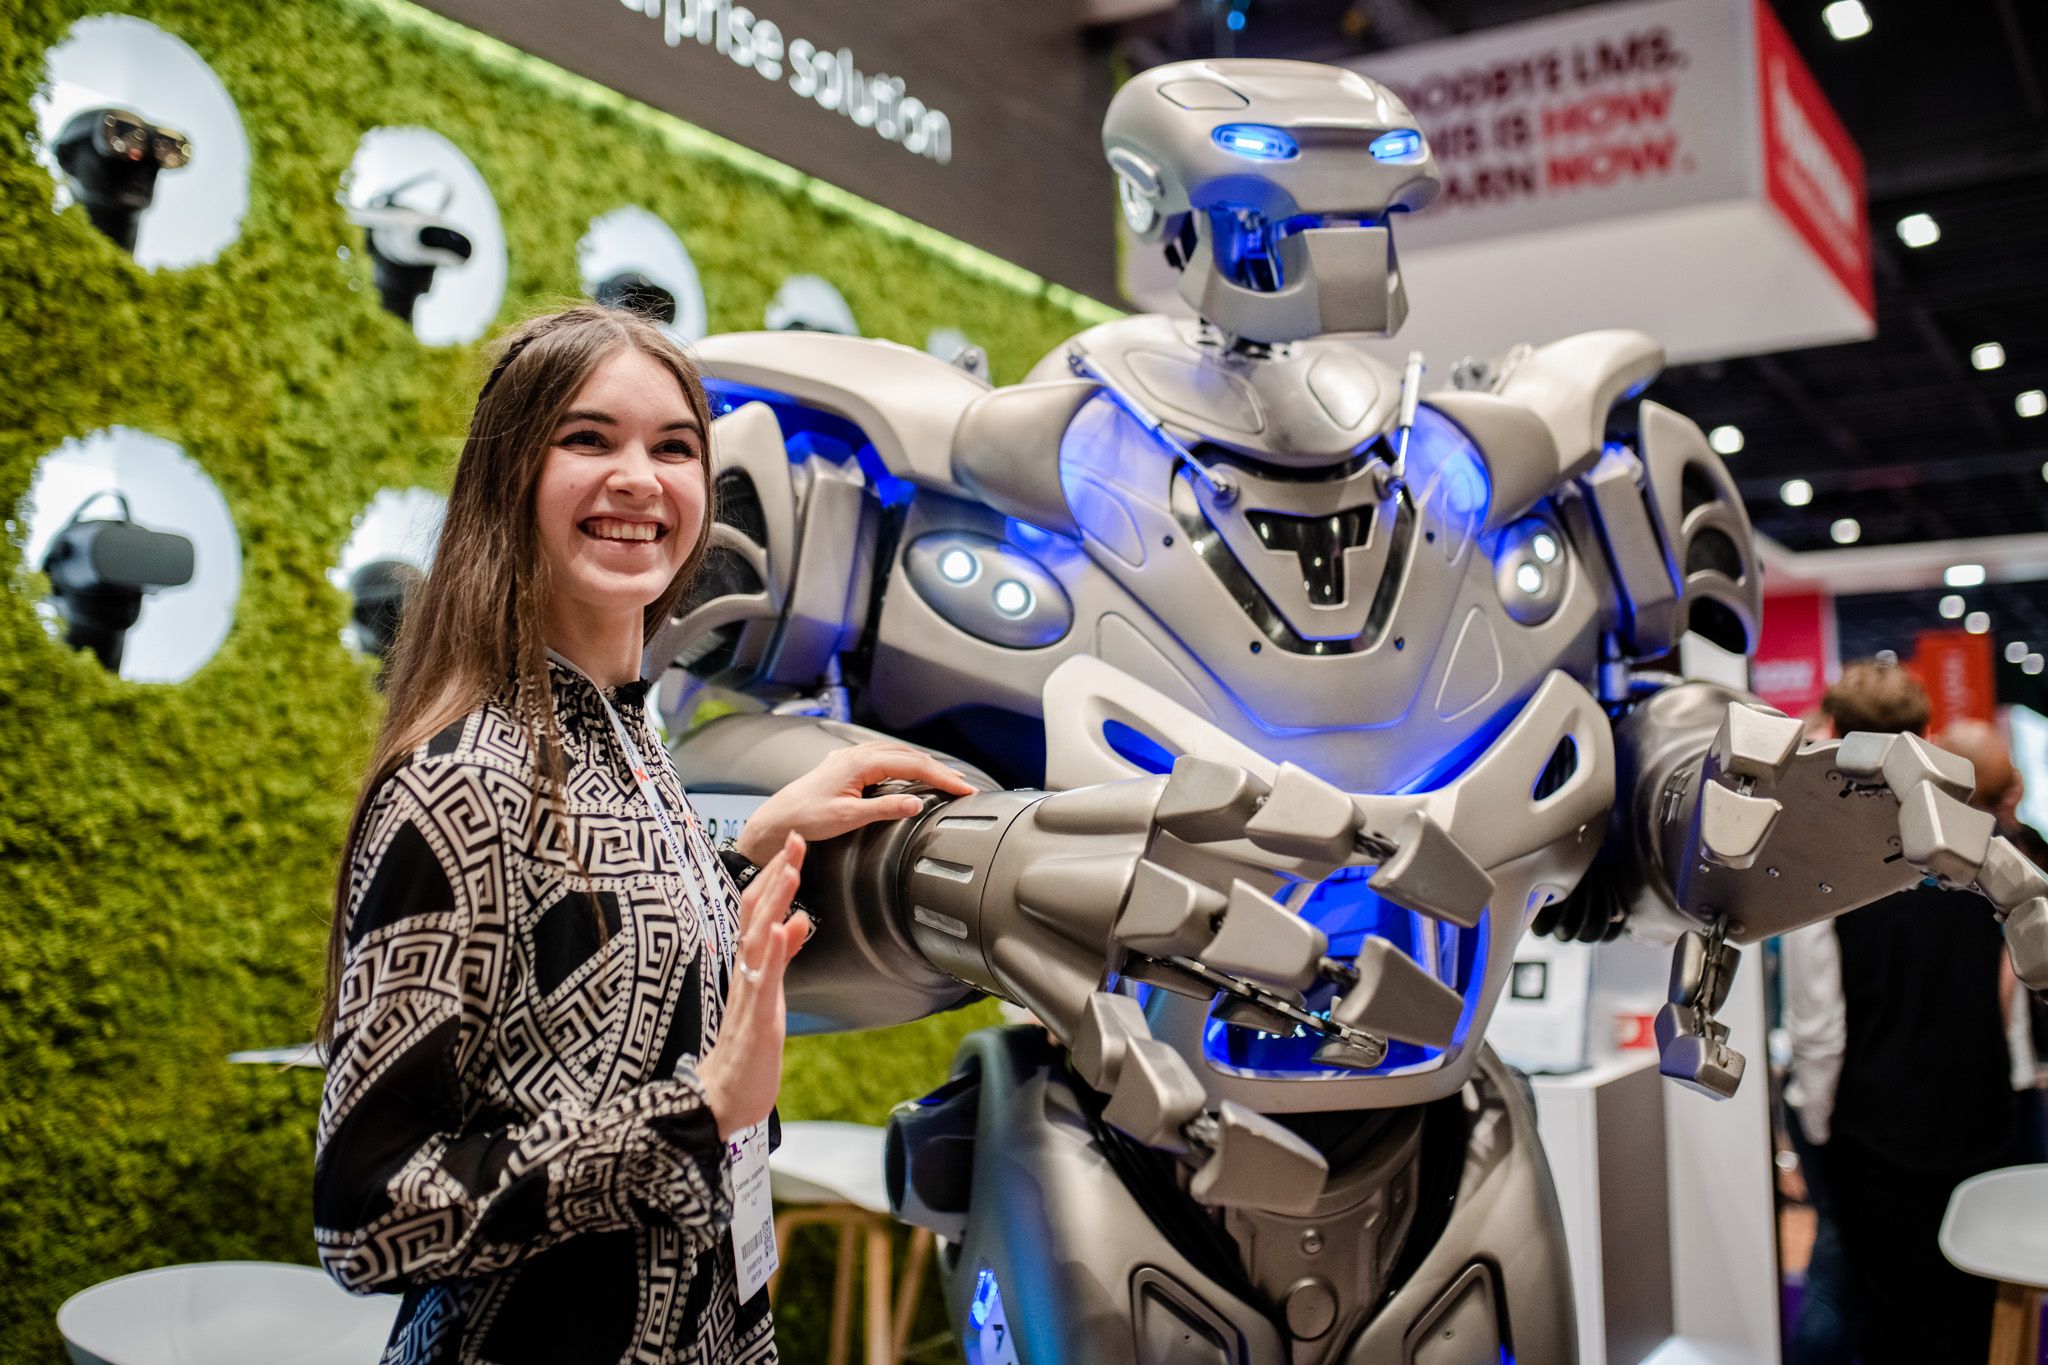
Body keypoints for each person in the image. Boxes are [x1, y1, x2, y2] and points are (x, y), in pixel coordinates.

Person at [312, 305, 973, 1365]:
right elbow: (368, 1213)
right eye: (589, 439)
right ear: (508, 480)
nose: (638, 477)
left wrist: (746, 851)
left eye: (674, 447)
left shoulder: (624, 734)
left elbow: (569, 981)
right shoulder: (462, 781)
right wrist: (697, 1116)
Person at [1782, 660, 2014, 1365]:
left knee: (1892, 1315)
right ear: (1926, 734)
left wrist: (1816, 1129)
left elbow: (1819, 1023)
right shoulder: (1978, 840)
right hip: (1978, 1115)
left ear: (1834, 737)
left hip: (1876, 1132)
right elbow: (2007, 989)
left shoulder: (1824, 857)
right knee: (1973, 1303)